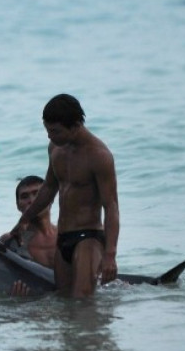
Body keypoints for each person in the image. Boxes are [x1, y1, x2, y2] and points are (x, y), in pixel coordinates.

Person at [16, 93, 119, 298]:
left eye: (55, 131)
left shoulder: (99, 156)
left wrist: (110, 255)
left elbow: (112, 207)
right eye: (47, 130)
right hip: (63, 238)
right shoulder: (56, 148)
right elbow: (48, 188)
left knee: (81, 301)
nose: (49, 136)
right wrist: (24, 220)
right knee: (63, 301)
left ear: (75, 126)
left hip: (88, 237)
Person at [0, 175, 57, 268]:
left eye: (37, 194)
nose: (32, 200)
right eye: (24, 196)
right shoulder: (10, 241)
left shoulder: (64, 235)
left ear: (50, 199)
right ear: (18, 205)